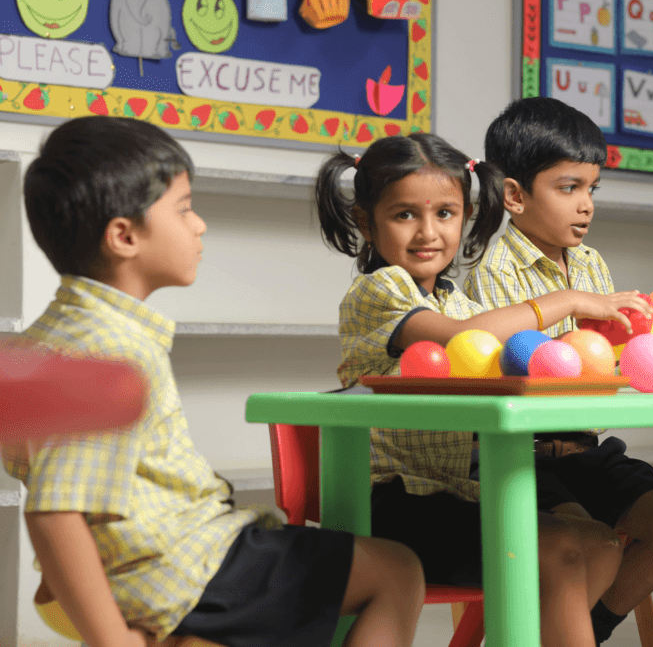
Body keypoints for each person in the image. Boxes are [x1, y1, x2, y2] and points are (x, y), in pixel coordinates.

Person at [2, 116, 426, 647]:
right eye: (183, 209)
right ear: (124, 236)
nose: (198, 225)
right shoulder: (107, 350)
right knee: (396, 570)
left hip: (160, 557)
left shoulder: (51, 338)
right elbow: (56, 513)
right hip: (179, 568)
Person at [315, 131, 653, 647]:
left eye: (445, 214)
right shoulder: (379, 289)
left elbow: (507, 358)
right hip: (390, 501)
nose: (428, 232)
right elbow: (462, 338)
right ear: (366, 222)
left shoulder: (455, 298)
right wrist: (566, 300)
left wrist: (635, 338)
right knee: (560, 550)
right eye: (404, 214)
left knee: (602, 544)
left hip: (449, 493)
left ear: (466, 216)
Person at [463, 96, 653, 644]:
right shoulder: (492, 272)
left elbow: (607, 356)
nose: (586, 205)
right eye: (569, 188)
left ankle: (588, 630)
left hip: (584, 449)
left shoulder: (590, 264)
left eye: (593, 188)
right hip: (518, 455)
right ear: (514, 196)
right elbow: (518, 373)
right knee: (589, 539)